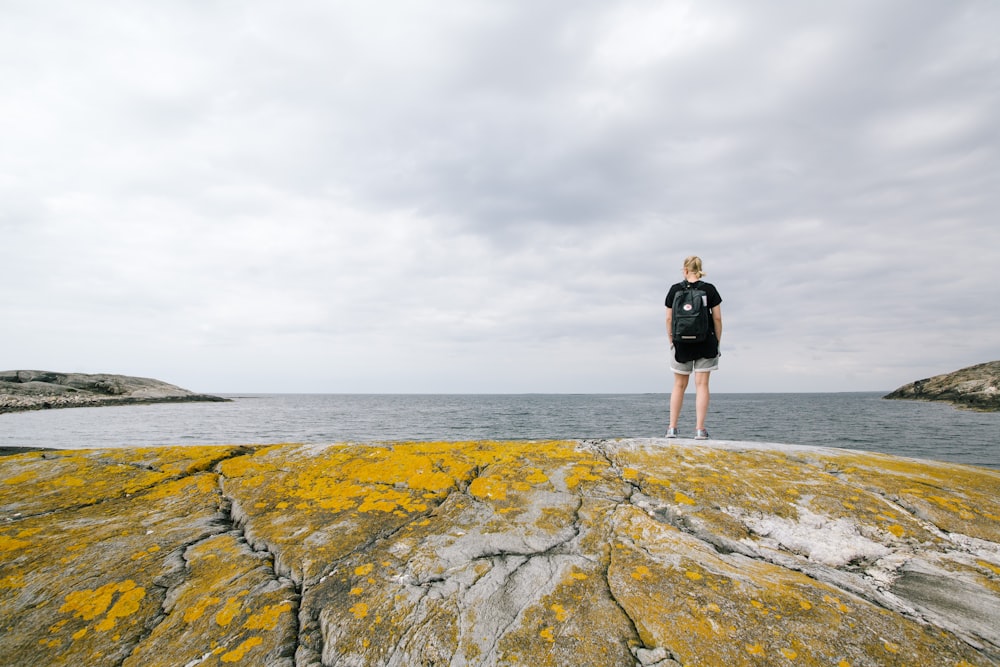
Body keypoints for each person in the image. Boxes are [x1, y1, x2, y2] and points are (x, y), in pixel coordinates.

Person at [664, 256, 723, 439]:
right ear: (700, 269)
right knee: (702, 384)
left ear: (685, 270)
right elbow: (718, 319)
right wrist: (717, 341)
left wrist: (672, 341)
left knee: (679, 385)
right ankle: (699, 429)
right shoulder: (709, 289)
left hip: (681, 343)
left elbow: (668, 319)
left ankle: (672, 428)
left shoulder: (675, 290)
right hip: (706, 342)